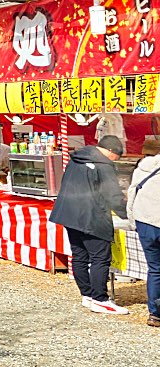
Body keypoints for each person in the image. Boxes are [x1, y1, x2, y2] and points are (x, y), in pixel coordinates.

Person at [49, 135, 129, 315]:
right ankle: (100, 299)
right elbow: (112, 196)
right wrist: (128, 214)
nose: (116, 161)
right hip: (92, 216)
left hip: (69, 213)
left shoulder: (77, 157)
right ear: (111, 151)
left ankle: (87, 295)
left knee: (79, 256)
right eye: (117, 157)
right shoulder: (103, 165)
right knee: (100, 258)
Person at [127, 135, 160, 328]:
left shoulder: (141, 169)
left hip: (145, 222)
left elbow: (132, 196)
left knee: (155, 269)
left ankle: (155, 315)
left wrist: (133, 223)